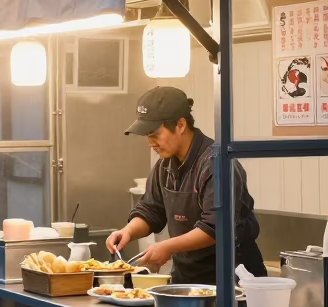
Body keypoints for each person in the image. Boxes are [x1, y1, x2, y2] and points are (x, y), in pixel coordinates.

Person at [106, 86, 267, 284]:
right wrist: (127, 232)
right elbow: (151, 210)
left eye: (155, 134)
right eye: (147, 136)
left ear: (180, 125)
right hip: (186, 281)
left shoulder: (216, 164)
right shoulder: (164, 165)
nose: (151, 143)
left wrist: (167, 247)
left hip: (232, 282)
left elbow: (214, 228)